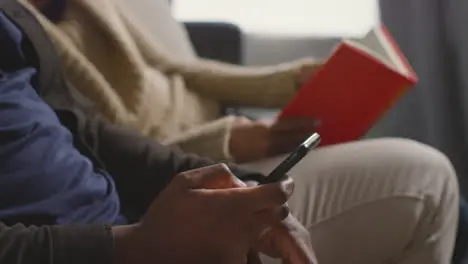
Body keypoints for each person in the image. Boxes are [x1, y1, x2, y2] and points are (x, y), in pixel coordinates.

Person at [0, 1, 460, 264]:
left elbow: (96, 124)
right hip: (135, 228)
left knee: (443, 196)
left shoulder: (22, 16)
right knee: (426, 181)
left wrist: (284, 86)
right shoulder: (40, 23)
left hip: (151, 201)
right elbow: (125, 125)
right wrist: (143, 242)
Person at [23, 0, 323, 163]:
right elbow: (98, 146)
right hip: (187, 153)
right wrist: (217, 144)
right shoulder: (19, 31)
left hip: (226, 123)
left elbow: (172, 66)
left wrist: (291, 81)